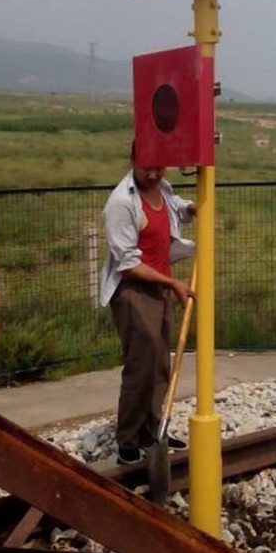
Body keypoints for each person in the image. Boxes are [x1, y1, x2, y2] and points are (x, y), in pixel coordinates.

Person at [100, 144, 196, 465]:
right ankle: (128, 438)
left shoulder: (162, 188)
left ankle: (154, 431)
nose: (153, 174)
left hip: (160, 288)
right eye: (146, 167)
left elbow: (177, 206)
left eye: (159, 167)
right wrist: (173, 283)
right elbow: (127, 264)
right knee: (141, 366)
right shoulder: (121, 203)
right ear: (132, 161)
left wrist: (193, 208)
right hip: (133, 292)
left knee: (160, 365)